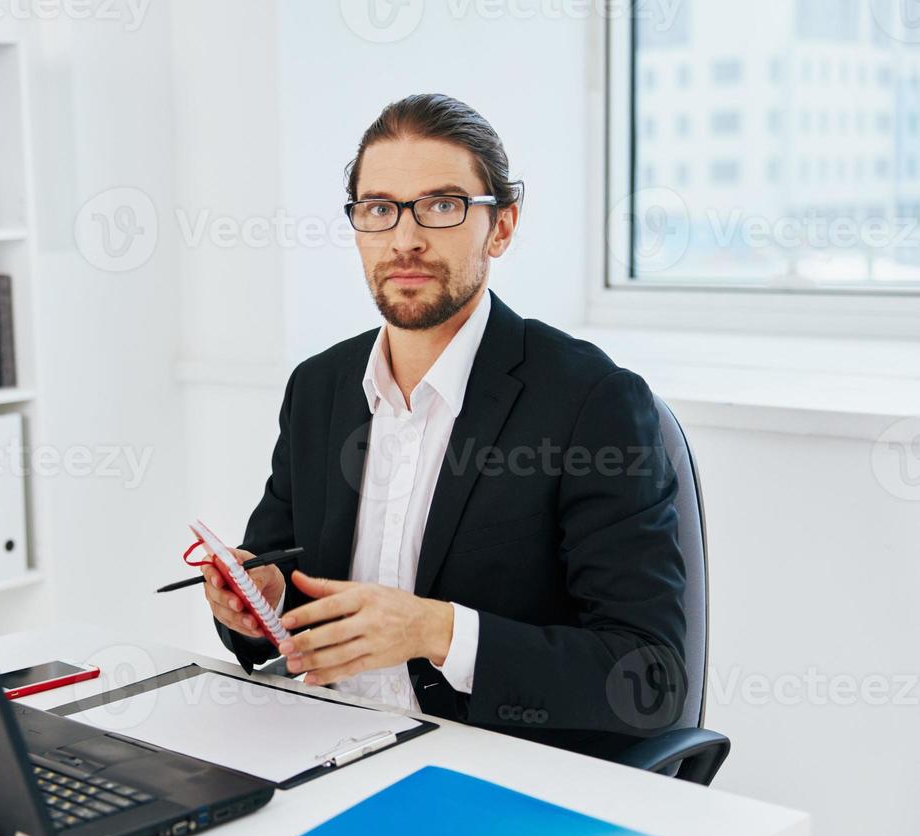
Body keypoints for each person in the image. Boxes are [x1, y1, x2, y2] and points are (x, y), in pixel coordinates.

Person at [205, 93, 686, 760]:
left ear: (502, 226)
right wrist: (253, 607)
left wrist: (439, 631)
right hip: (323, 748)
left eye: (440, 205)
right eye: (379, 209)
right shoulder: (318, 388)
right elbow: (276, 586)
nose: (405, 239)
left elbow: (649, 679)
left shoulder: (591, 403)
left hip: (492, 770)